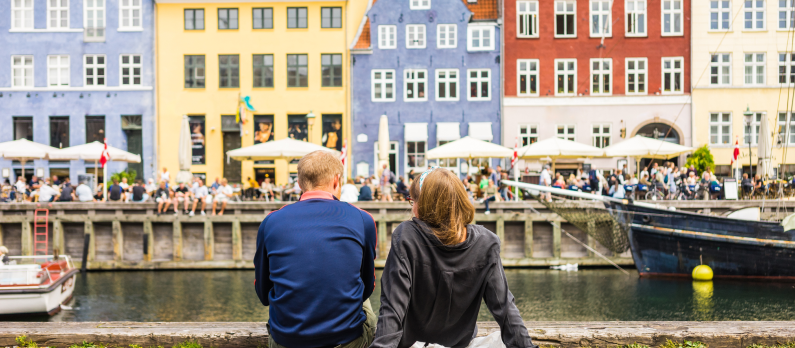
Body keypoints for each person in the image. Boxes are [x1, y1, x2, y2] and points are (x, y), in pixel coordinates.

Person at [372, 168, 536, 348]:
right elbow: (506, 311)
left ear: (425, 204)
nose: (412, 208)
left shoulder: (407, 236)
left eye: (413, 201)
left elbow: (392, 309)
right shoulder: (486, 243)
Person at [254, 150, 377, 348]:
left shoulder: (271, 221)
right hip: (345, 339)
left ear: (300, 184)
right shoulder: (363, 219)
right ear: (337, 181)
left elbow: (262, 292)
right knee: (364, 298)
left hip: (287, 341)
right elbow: (367, 286)